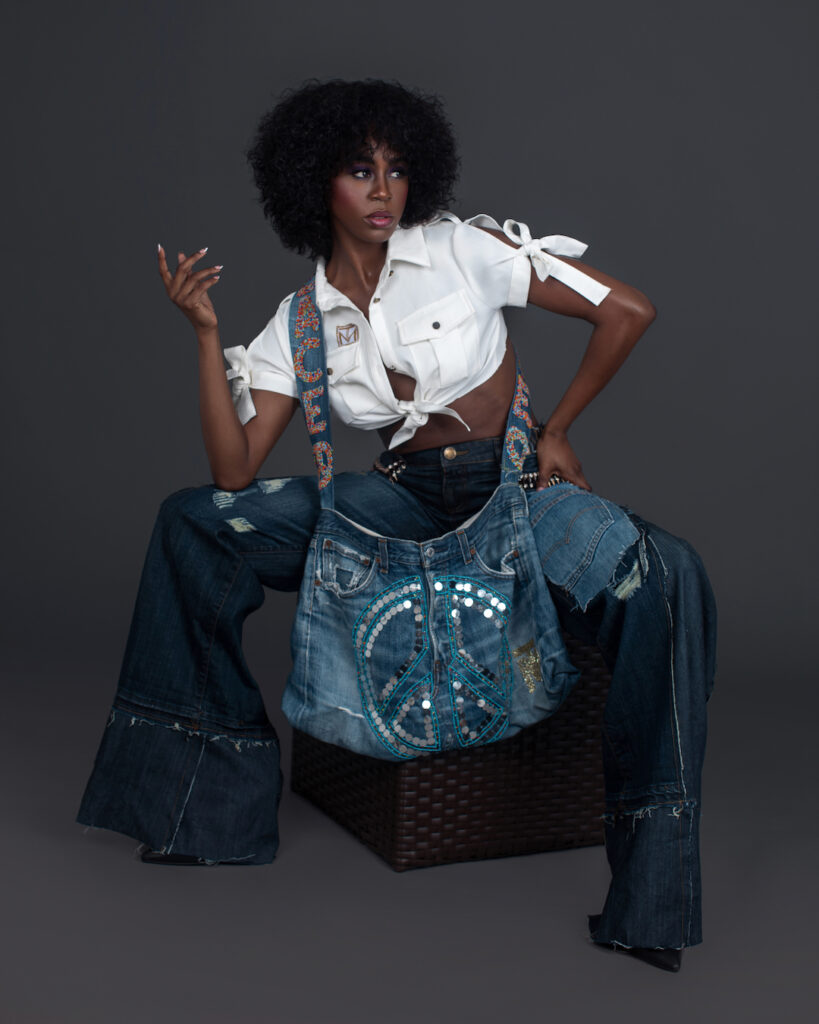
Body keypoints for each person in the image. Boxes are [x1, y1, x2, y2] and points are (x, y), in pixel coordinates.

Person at [77, 80, 716, 972]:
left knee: (666, 575)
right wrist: (202, 332)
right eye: (357, 169)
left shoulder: (465, 248)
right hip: (396, 498)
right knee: (196, 521)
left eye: (397, 168)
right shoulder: (299, 322)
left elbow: (626, 309)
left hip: (512, 487)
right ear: (314, 186)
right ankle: (209, 815)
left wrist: (558, 428)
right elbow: (233, 473)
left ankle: (649, 901)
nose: (383, 189)